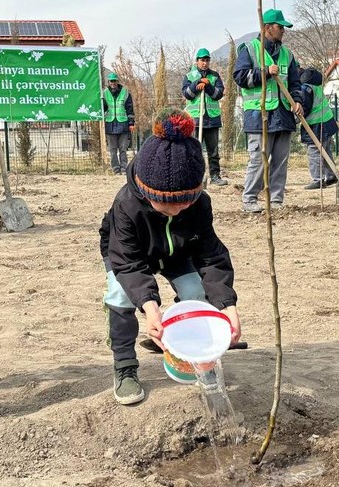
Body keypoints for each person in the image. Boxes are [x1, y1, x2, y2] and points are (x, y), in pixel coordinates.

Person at [99, 109, 241, 405]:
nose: (176, 211)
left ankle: (186, 350)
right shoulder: (126, 205)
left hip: (178, 253)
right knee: (121, 295)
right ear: (144, 188)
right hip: (130, 256)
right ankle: (124, 365)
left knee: (195, 290)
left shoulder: (200, 205)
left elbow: (211, 256)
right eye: (165, 205)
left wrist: (227, 306)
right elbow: (128, 264)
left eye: (184, 203)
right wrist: (151, 309)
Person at [233, 8, 303, 213]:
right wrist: (264, 72)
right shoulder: (249, 49)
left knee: (280, 160)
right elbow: (239, 78)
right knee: (259, 159)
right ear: (266, 28)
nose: (283, 31)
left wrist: (297, 101)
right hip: (259, 115)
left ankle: (276, 200)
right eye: (280, 27)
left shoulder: (287, 55)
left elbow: (295, 84)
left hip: (283, 115)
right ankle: (250, 199)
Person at [183, 47, 228, 186]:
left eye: (207, 60)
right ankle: (194, 177)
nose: (205, 63)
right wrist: (197, 84)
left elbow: (218, 94)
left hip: (212, 119)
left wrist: (208, 86)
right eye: (202, 60)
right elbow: (187, 94)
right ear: (197, 61)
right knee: (195, 151)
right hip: (195, 120)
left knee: (213, 151)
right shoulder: (189, 76)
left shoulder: (214, 76)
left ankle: (215, 175)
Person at [299, 67, 339, 190]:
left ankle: (318, 179)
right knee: (325, 150)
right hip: (327, 122)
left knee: (314, 152)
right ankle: (331, 175)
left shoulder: (305, 89)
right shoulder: (315, 86)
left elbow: (304, 108)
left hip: (316, 125)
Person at [102, 72, 135, 175]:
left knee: (123, 149)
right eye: (111, 81)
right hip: (110, 124)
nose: (113, 83)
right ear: (108, 82)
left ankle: (124, 168)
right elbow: (102, 108)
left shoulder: (125, 92)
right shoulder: (104, 93)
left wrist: (131, 123)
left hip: (123, 124)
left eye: (115, 81)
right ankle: (115, 169)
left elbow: (130, 109)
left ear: (117, 81)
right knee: (112, 149)